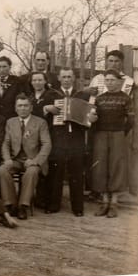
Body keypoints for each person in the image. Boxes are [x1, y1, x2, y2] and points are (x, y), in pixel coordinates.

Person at [41, 68, 91, 216]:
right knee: (56, 171)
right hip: (58, 136)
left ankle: (78, 207)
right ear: (59, 78)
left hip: (77, 137)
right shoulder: (51, 95)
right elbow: (40, 112)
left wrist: (91, 118)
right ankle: (54, 204)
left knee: (76, 172)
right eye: (64, 77)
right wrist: (46, 108)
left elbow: (89, 116)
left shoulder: (82, 95)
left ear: (74, 78)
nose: (67, 79)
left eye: (69, 77)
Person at [0, 94, 52, 220]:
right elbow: (5, 143)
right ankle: (10, 204)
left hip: (32, 160)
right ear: (15, 108)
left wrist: (36, 161)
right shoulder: (10, 122)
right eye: (20, 106)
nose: (23, 108)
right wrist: (7, 159)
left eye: (26, 106)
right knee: (2, 170)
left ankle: (23, 206)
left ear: (31, 108)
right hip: (15, 159)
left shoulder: (40, 122)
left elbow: (47, 144)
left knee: (32, 172)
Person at [90, 69, 134, 218]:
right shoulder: (99, 99)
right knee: (101, 167)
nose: (110, 83)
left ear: (119, 82)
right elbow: (93, 118)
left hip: (118, 135)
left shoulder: (125, 98)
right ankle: (104, 203)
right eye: (107, 80)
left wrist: (121, 133)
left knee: (116, 166)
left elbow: (131, 120)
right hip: (101, 135)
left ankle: (114, 203)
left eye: (112, 80)